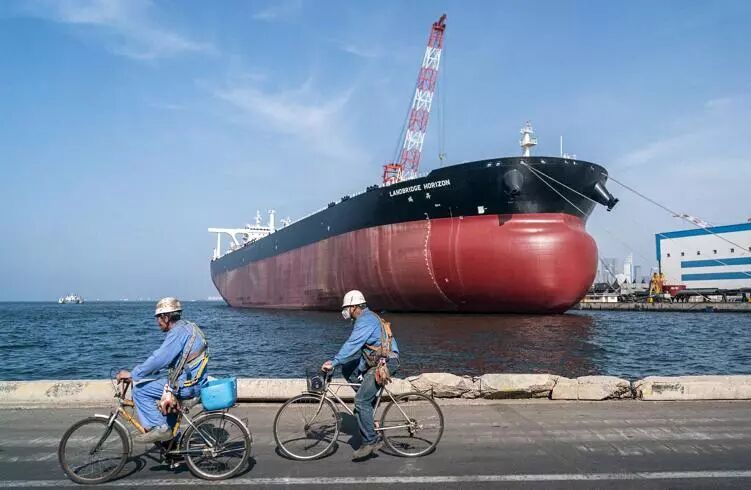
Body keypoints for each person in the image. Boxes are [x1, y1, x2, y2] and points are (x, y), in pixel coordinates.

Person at [117, 297, 209, 443]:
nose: (157, 322)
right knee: (163, 397)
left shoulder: (177, 333)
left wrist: (133, 374)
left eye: (158, 318)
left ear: (166, 317)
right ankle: (171, 442)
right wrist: (152, 370)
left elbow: (159, 358)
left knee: (140, 390)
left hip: (187, 386)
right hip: (196, 382)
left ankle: (161, 428)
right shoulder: (189, 327)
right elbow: (175, 359)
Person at [321, 290, 399, 460]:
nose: (345, 311)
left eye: (347, 307)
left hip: (384, 362)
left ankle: (370, 441)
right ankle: (368, 407)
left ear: (355, 307)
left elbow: (353, 344)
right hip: (374, 359)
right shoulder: (365, 317)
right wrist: (340, 363)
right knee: (348, 368)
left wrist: (334, 362)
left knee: (361, 401)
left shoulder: (365, 320)